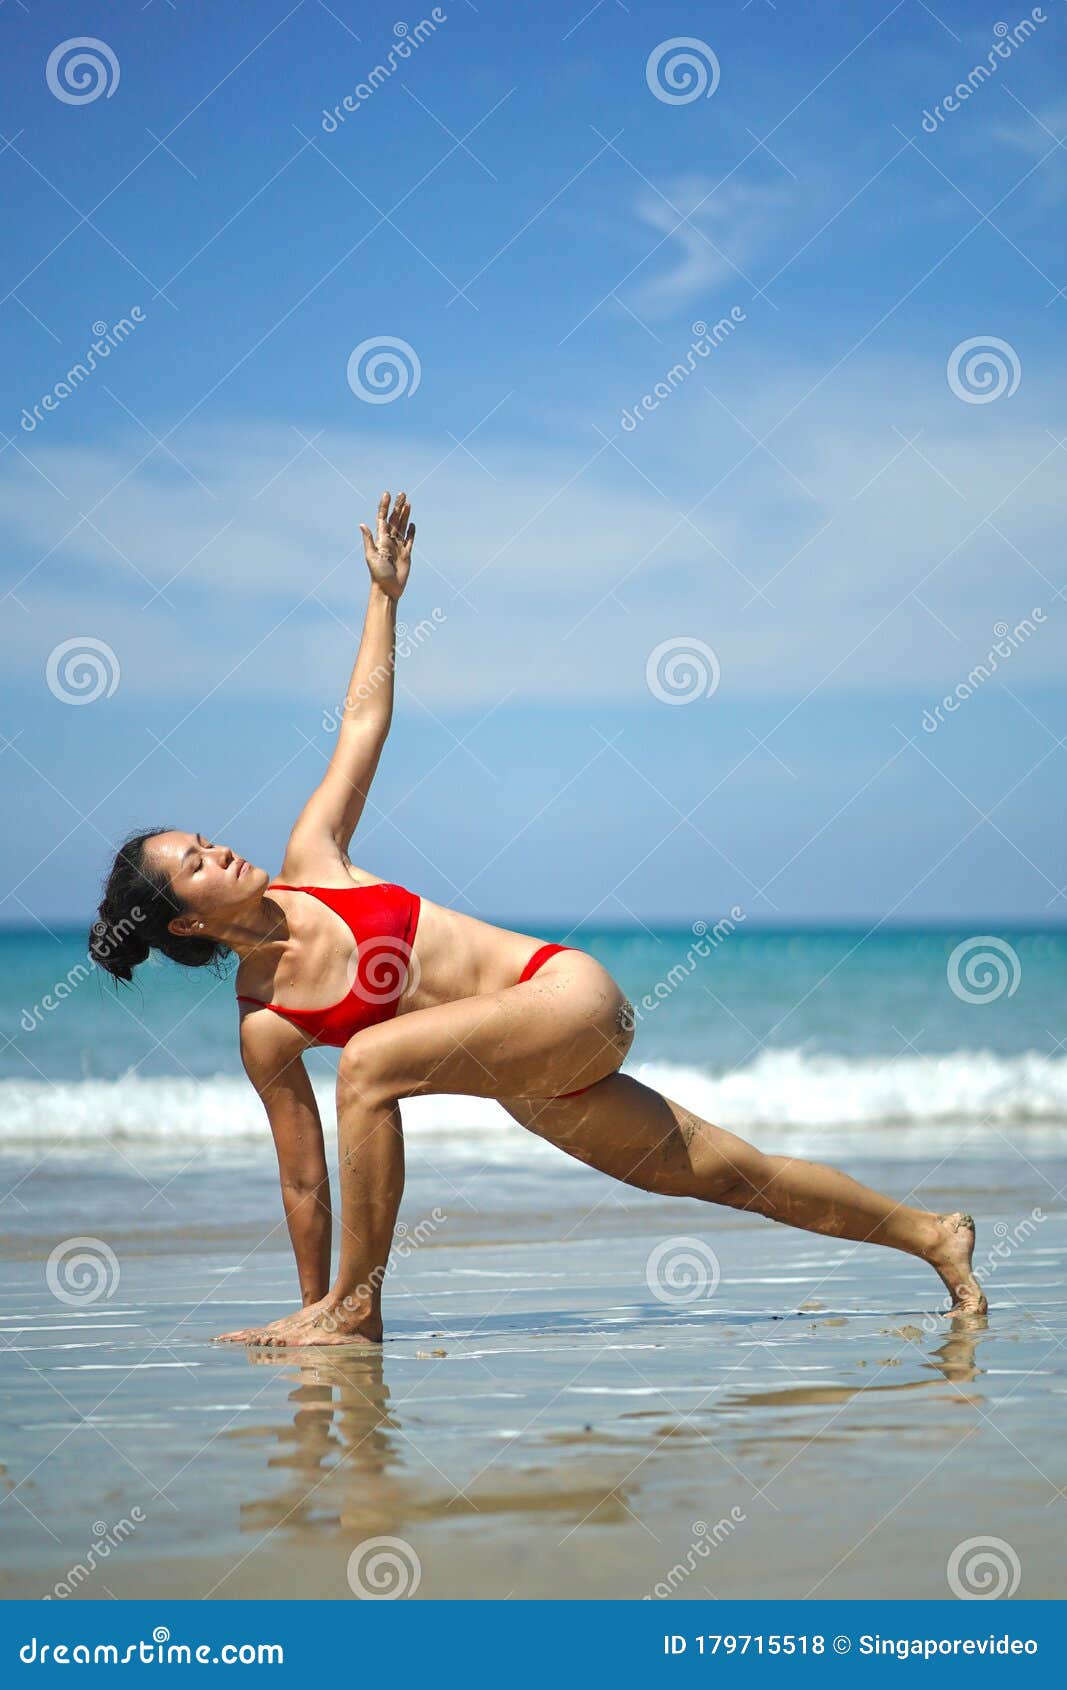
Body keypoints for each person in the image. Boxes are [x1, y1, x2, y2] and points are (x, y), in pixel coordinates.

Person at [88, 492, 986, 1347]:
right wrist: (306, 1302)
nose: (219, 853)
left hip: (565, 995)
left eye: (203, 840)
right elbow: (303, 1179)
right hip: (538, 1084)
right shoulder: (266, 1029)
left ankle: (358, 1311)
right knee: (727, 1175)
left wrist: (382, 595)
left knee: (366, 1062)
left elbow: (363, 724)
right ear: (185, 926)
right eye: (195, 866)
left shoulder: (315, 861)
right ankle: (934, 1238)